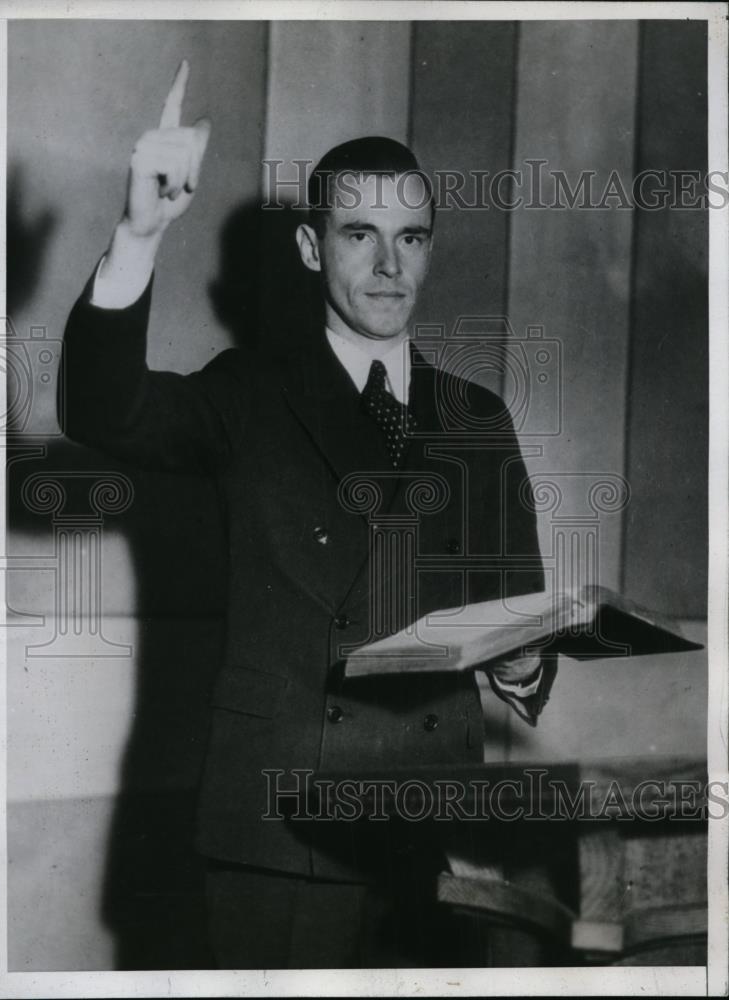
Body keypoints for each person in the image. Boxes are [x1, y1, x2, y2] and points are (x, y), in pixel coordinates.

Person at [59, 60, 557, 968]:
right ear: (310, 249)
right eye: (358, 233)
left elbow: (517, 604)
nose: (387, 264)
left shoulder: (477, 415)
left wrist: (524, 664)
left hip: (438, 827)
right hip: (282, 826)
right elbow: (105, 408)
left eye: (410, 238)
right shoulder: (248, 393)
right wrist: (138, 235)